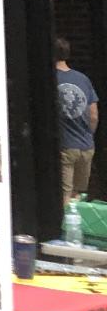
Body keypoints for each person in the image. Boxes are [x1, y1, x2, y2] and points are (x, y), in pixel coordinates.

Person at [56, 37, 98, 203]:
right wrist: (88, 135)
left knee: (64, 196)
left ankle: (66, 229)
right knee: (77, 196)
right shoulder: (83, 79)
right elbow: (93, 115)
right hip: (86, 147)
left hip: (65, 146)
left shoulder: (50, 79)